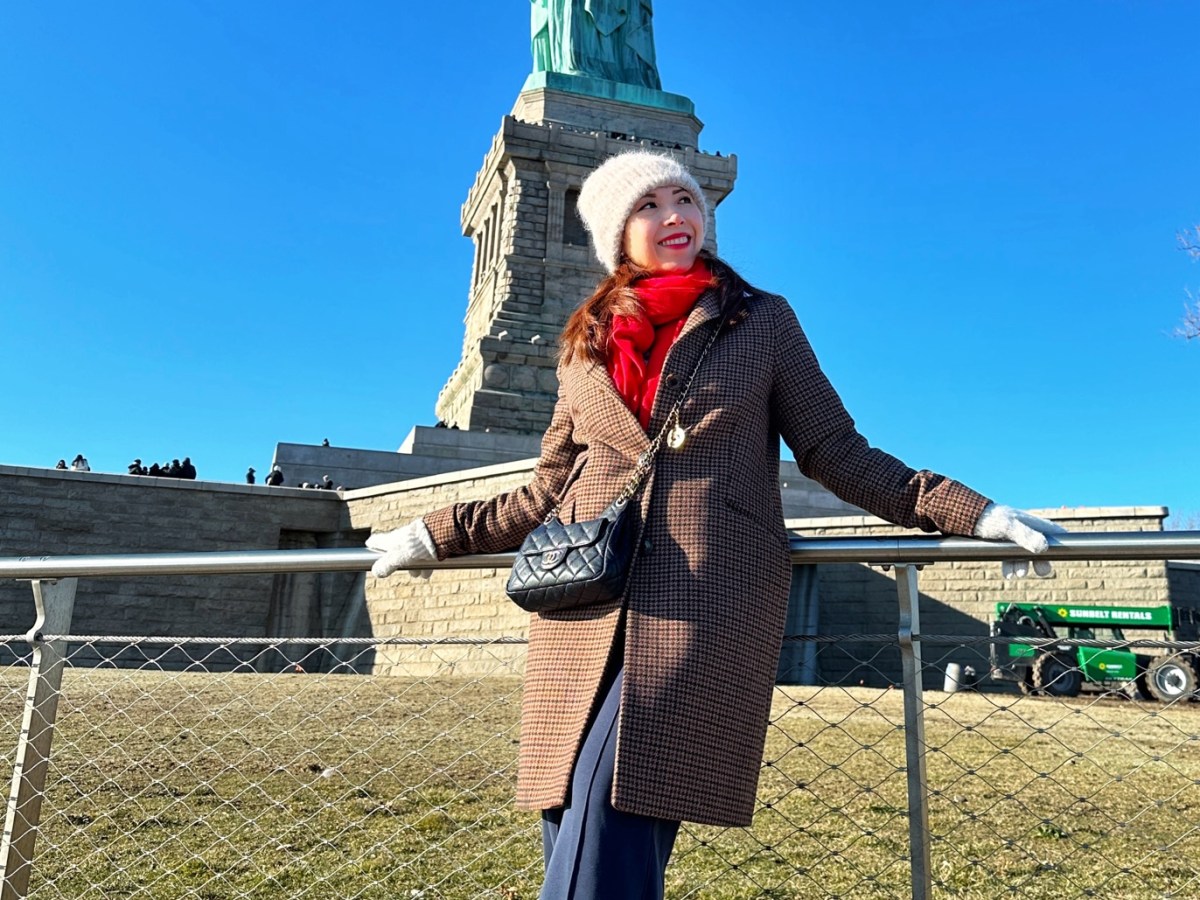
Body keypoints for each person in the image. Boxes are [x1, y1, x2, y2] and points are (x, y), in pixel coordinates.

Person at [367, 151, 1063, 899]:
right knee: (570, 815)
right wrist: (433, 534)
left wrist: (971, 510)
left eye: (687, 200)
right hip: (580, 607)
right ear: (616, 231)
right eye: (651, 205)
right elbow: (545, 490)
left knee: (612, 811)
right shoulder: (584, 345)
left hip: (700, 597)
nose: (677, 217)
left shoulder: (761, 321)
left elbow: (833, 449)